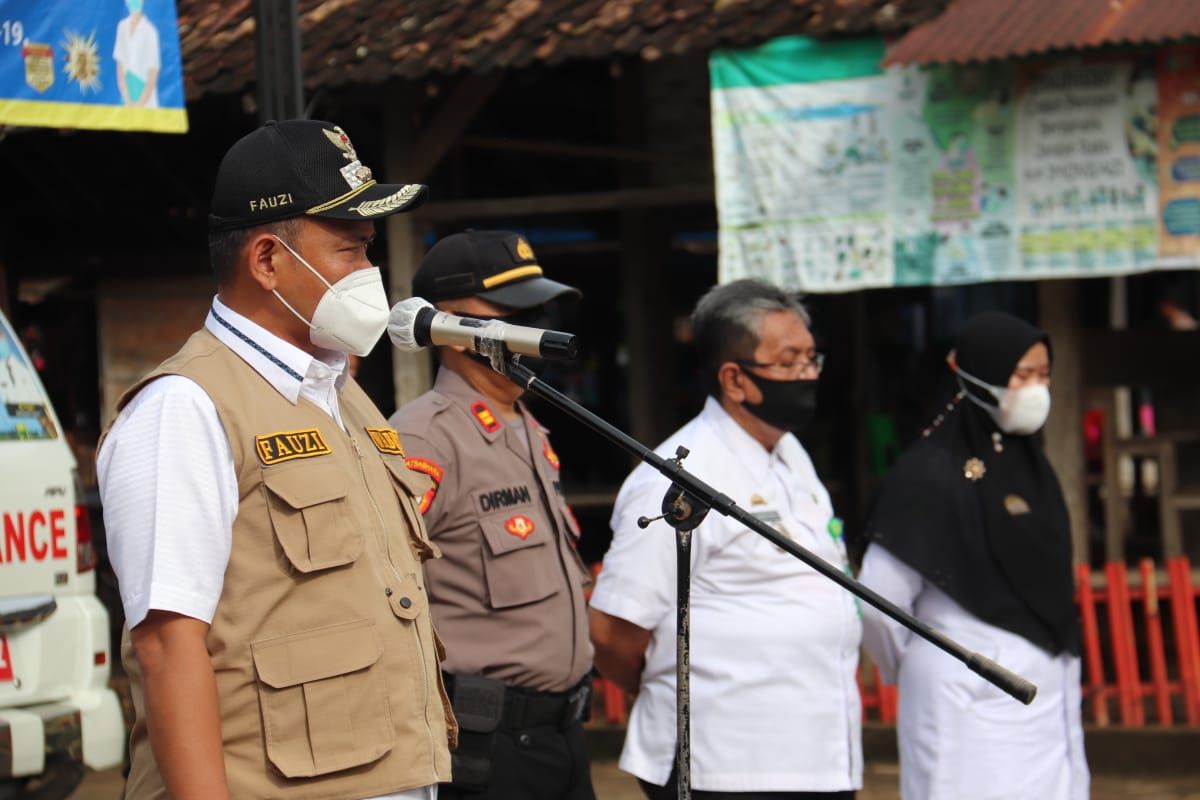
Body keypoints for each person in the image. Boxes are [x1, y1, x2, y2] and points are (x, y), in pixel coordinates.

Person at [98, 119, 455, 800]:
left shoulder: (344, 400)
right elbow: (167, 645)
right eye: (350, 250)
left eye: (369, 251)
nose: (370, 274)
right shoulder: (186, 407)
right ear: (267, 260)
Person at [590, 279, 862, 799]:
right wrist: (676, 687)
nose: (807, 374)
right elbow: (612, 632)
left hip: (817, 757)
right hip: (726, 766)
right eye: (788, 363)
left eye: (811, 359)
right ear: (735, 380)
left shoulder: (791, 454)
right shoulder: (679, 476)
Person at [388, 230, 596, 800]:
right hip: (490, 745)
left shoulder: (527, 424)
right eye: (513, 311)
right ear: (452, 326)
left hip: (563, 736)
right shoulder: (423, 438)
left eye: (538, 308)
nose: (534, 324)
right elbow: (377, 588)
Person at [858, 311, 1089, 800]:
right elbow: (880, 599)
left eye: (1043, 375)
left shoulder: (1030, 462)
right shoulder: (930, 472)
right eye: (1022, 375)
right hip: (964, 696)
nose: (1036, 389)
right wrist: (919, 663)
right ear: (979, 373)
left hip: (1043, 699)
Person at [114, 0, 161, 108]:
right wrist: (127, 100)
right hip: (127, 95)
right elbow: (120, 67)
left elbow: (153, 72)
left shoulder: (151, 31)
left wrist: (140, 104)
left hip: (146, 98)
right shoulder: (122, 27)